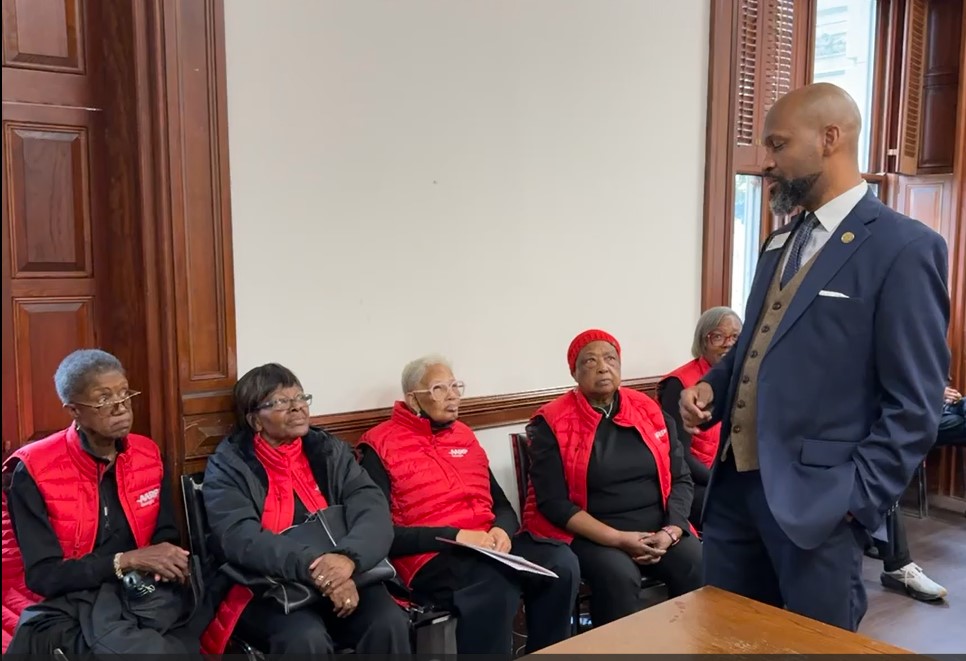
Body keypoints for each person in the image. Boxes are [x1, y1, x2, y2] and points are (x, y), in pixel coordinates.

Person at [680, 83, 950, 631]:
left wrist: (854, 500)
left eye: (777, 145)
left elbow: (916, 403)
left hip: (818, 506)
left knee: (812, 647)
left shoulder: (902, 248)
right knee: (726, 639)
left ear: (830, 139)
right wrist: (713, 385)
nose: (767, 162)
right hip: (734, 497)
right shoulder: (778, 243)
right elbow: (758, 344)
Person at [357, 355, 579, 654]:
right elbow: (382, 533)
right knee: (495, 587)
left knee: (561, 563)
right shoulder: (378, 445)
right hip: (431, 556)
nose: (453, 395)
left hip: (486, 545)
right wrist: (457, 536)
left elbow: (501, 505)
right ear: (413, 399)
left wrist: (502, 529)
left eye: (455, 386)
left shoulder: (464, 435)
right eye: (439, 388)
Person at [2, 349, 204, 655]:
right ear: (74, 411)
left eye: (125, 394)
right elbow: (43, 576)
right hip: (65, 597)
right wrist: (127, 560)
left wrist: (165, 560)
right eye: (104, 399)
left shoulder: (148, 454)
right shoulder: (33, 470)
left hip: (137, 592)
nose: (121, 408)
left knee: (188, 636)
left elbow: (164, 535)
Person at [201, 363, 410, 656]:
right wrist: (321, 572)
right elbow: (240, 538)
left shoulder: (329, 451)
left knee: (388, 622)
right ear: (255, 421)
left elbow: (371, 507)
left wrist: (348, 560)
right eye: (281, 403)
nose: (297, 408)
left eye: (300, 398)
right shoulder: (230, 465)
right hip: (268, 584)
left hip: (349, 571)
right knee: (305, 638)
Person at [521, 329, 702, 627]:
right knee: (619, 575)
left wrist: (672, 531)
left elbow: (681, 477)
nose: (603, 367)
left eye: (610, 358)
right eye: (590, 361)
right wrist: (618, 539)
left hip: (659, 527)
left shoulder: (649, 410)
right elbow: (553, 503)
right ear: (574, 372)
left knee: (695, 560)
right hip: (593, 534)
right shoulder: (550, 422)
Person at [659, 307, 742, 527]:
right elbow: (680, 455)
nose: (728, 344)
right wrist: (720, 483)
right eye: (718, 337)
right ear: (703, 341)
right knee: (736, 511)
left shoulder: (743, 380)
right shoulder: (680, 384)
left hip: (725, 472)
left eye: (735, 337)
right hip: (690, 481)